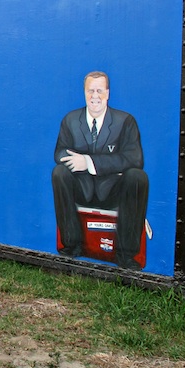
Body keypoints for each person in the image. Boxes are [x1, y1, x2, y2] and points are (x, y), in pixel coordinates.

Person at [51, 71, 149, 270]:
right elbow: (59, 152)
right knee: (59, 172)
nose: (94, 96)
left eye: (99, 91)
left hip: (113, 191)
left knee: (137, 177)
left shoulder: (125, 121)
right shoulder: (70, 120)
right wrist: (72, 161)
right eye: (90, 91)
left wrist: (88, 162)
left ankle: (126, 255)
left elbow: (134, 158)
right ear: (84, 93)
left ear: (108, 93)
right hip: (82, 189)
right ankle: (71, 246)